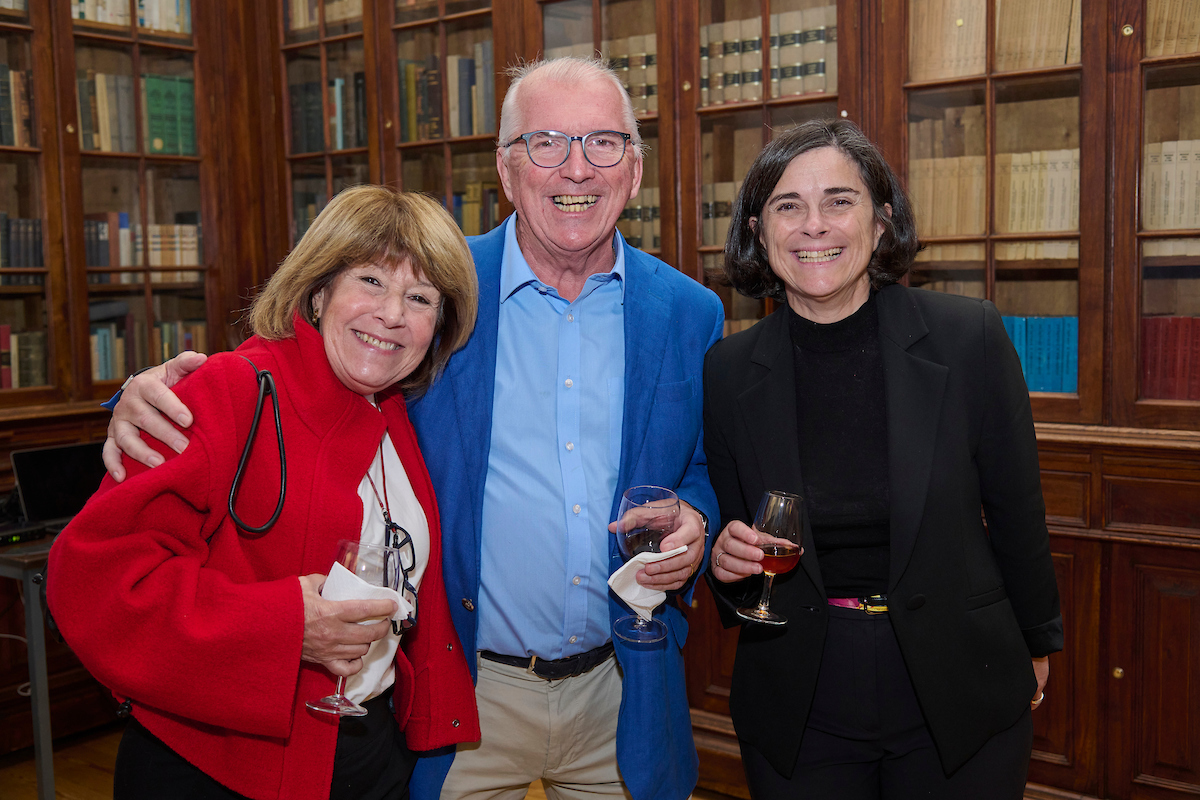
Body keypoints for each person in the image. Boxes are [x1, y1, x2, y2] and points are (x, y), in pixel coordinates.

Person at [101, 57, 724, 800]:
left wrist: (697, 515)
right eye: (547, 142)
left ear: (634, 166)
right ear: (505, 166)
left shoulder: (690, 312)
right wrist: (141, 396)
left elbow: (703, 468)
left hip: (619, 687)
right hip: (459, 689)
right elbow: (296, 375)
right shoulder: (441, 288)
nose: (575, 168)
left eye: (602, 143)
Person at [47, 186, 481, 800]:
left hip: (369, 753)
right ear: (318, 288)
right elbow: (95, 583)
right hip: (221, 766)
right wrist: (284, 627)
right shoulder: (227, 390)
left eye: (420, 297)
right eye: (371, 281)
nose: (392, 314)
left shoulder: (398, 416)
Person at [703, 119, 1062, 799]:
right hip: (800, 693)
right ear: (758, 230)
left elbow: (1018, 510)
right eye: (788, 206)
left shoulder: (969, 338)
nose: (815, 226)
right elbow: (739, 550)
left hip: (960, 679)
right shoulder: (726, 372)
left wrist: (1037, 641)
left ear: (880, 222)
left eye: (839, 201)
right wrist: (727, 567)